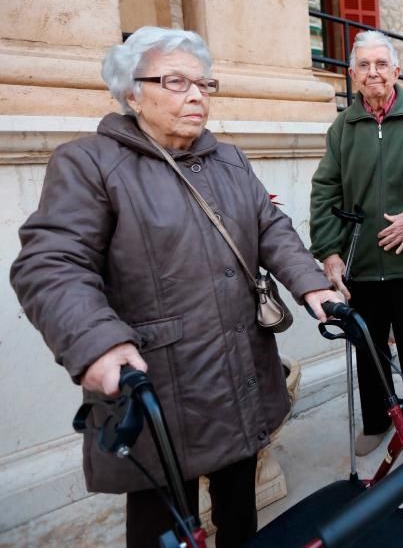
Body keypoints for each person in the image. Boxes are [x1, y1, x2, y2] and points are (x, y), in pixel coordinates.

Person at [9, 27, 342, 548]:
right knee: (163, 524)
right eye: (175, 81)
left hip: (239, 371)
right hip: (161, 386)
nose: (196, 95)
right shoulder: (91, 163)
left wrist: (312, 286)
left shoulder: (228, 160)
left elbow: (270, 229)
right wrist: (98, 341)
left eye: (204, 84)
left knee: (240, 504)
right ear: (132, 92)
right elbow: (50, 263)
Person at [310, 30, 403, 456]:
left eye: (381, 64)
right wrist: (329, 251)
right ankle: (377, 420)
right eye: (364, 66)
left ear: (396, 70)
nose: (374, 73)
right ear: (352, 75)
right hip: (362, 263)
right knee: (368, 348)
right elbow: (325, 190)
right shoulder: (343, 127)